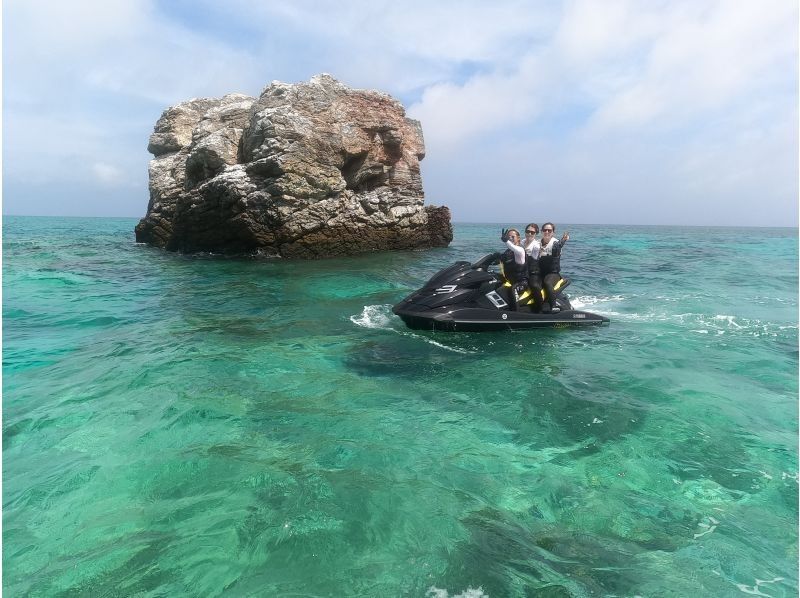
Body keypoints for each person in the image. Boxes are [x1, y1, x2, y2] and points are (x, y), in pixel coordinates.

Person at [538, 222, 569, 313]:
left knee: (547, 282)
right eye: (545, 230)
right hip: (540, 272)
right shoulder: (538, 243)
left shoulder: (555, 243)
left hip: (553, 273)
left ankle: (553, 305)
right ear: (541, 231)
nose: (547, 232)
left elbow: (557, 248)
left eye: (549, 230)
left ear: (553, 232)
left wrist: (563, 241)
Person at [499, 228, 528, 310]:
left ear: (518, 238)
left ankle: (516, 313)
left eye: (513, 236)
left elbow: (513, 248)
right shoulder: (507, 252)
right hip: (509, 280)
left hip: (522, 282)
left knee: (512, 289)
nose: (510, 238)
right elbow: (500, 259)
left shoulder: (520, 250)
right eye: (509, 237)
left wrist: (506, 241)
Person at [522, 223, 544, 312]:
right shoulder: (521, 242)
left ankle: (540, 307)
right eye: (528, 231)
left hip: (533, 271)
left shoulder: (536, 245)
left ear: (536, 234)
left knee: (534, 285)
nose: (530, 234)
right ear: (525, 232)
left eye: (532, 232)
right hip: (521, 270)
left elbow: (537, 252)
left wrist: (540, 250)